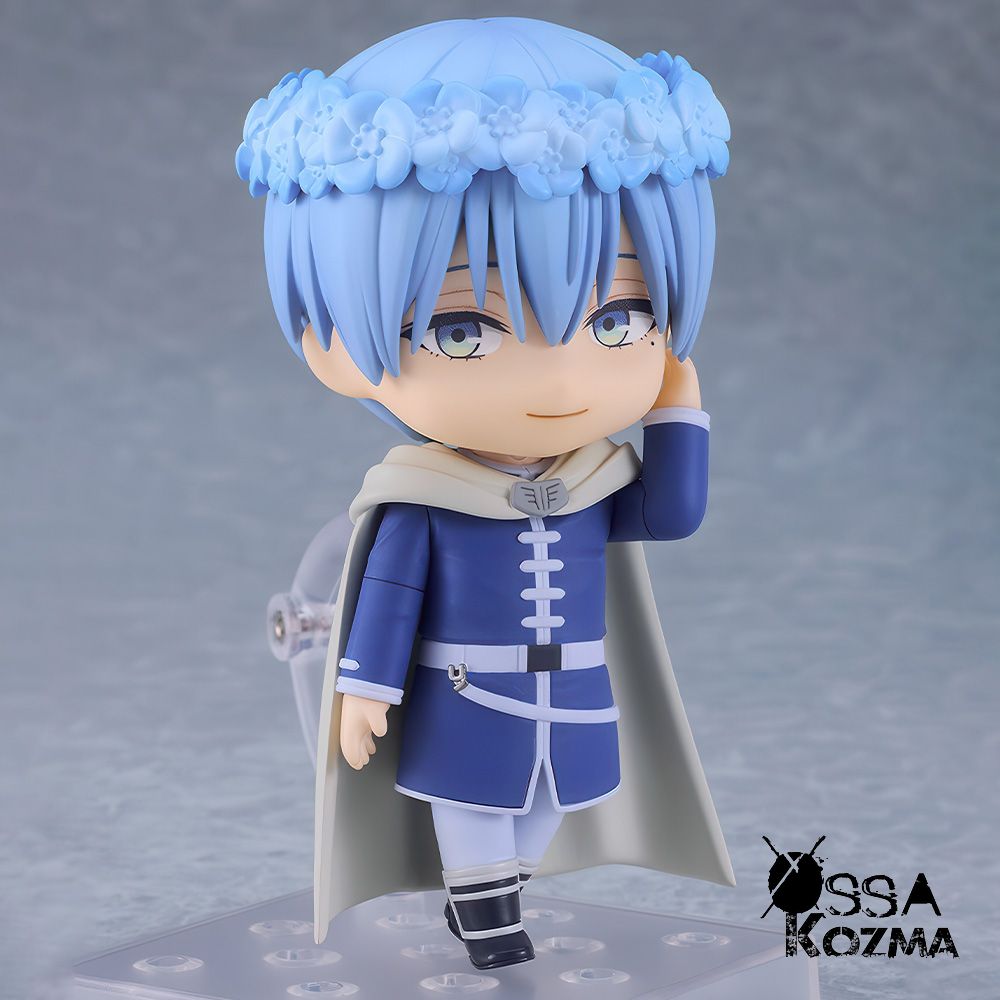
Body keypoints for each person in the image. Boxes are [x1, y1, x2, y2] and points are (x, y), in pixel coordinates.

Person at [235, 16, 735, 970]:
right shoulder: (421, 496)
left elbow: (669, 516)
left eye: (620, 318)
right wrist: (364, 689)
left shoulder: (592, 481)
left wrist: (678, 413)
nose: (560, 380)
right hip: (466, 690)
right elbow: (387, 596)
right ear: (336, 350)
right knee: (470, 803)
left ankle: (493, 896)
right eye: (463, 331)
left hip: (572, 689)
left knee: (551, 803)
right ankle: (488, 915)